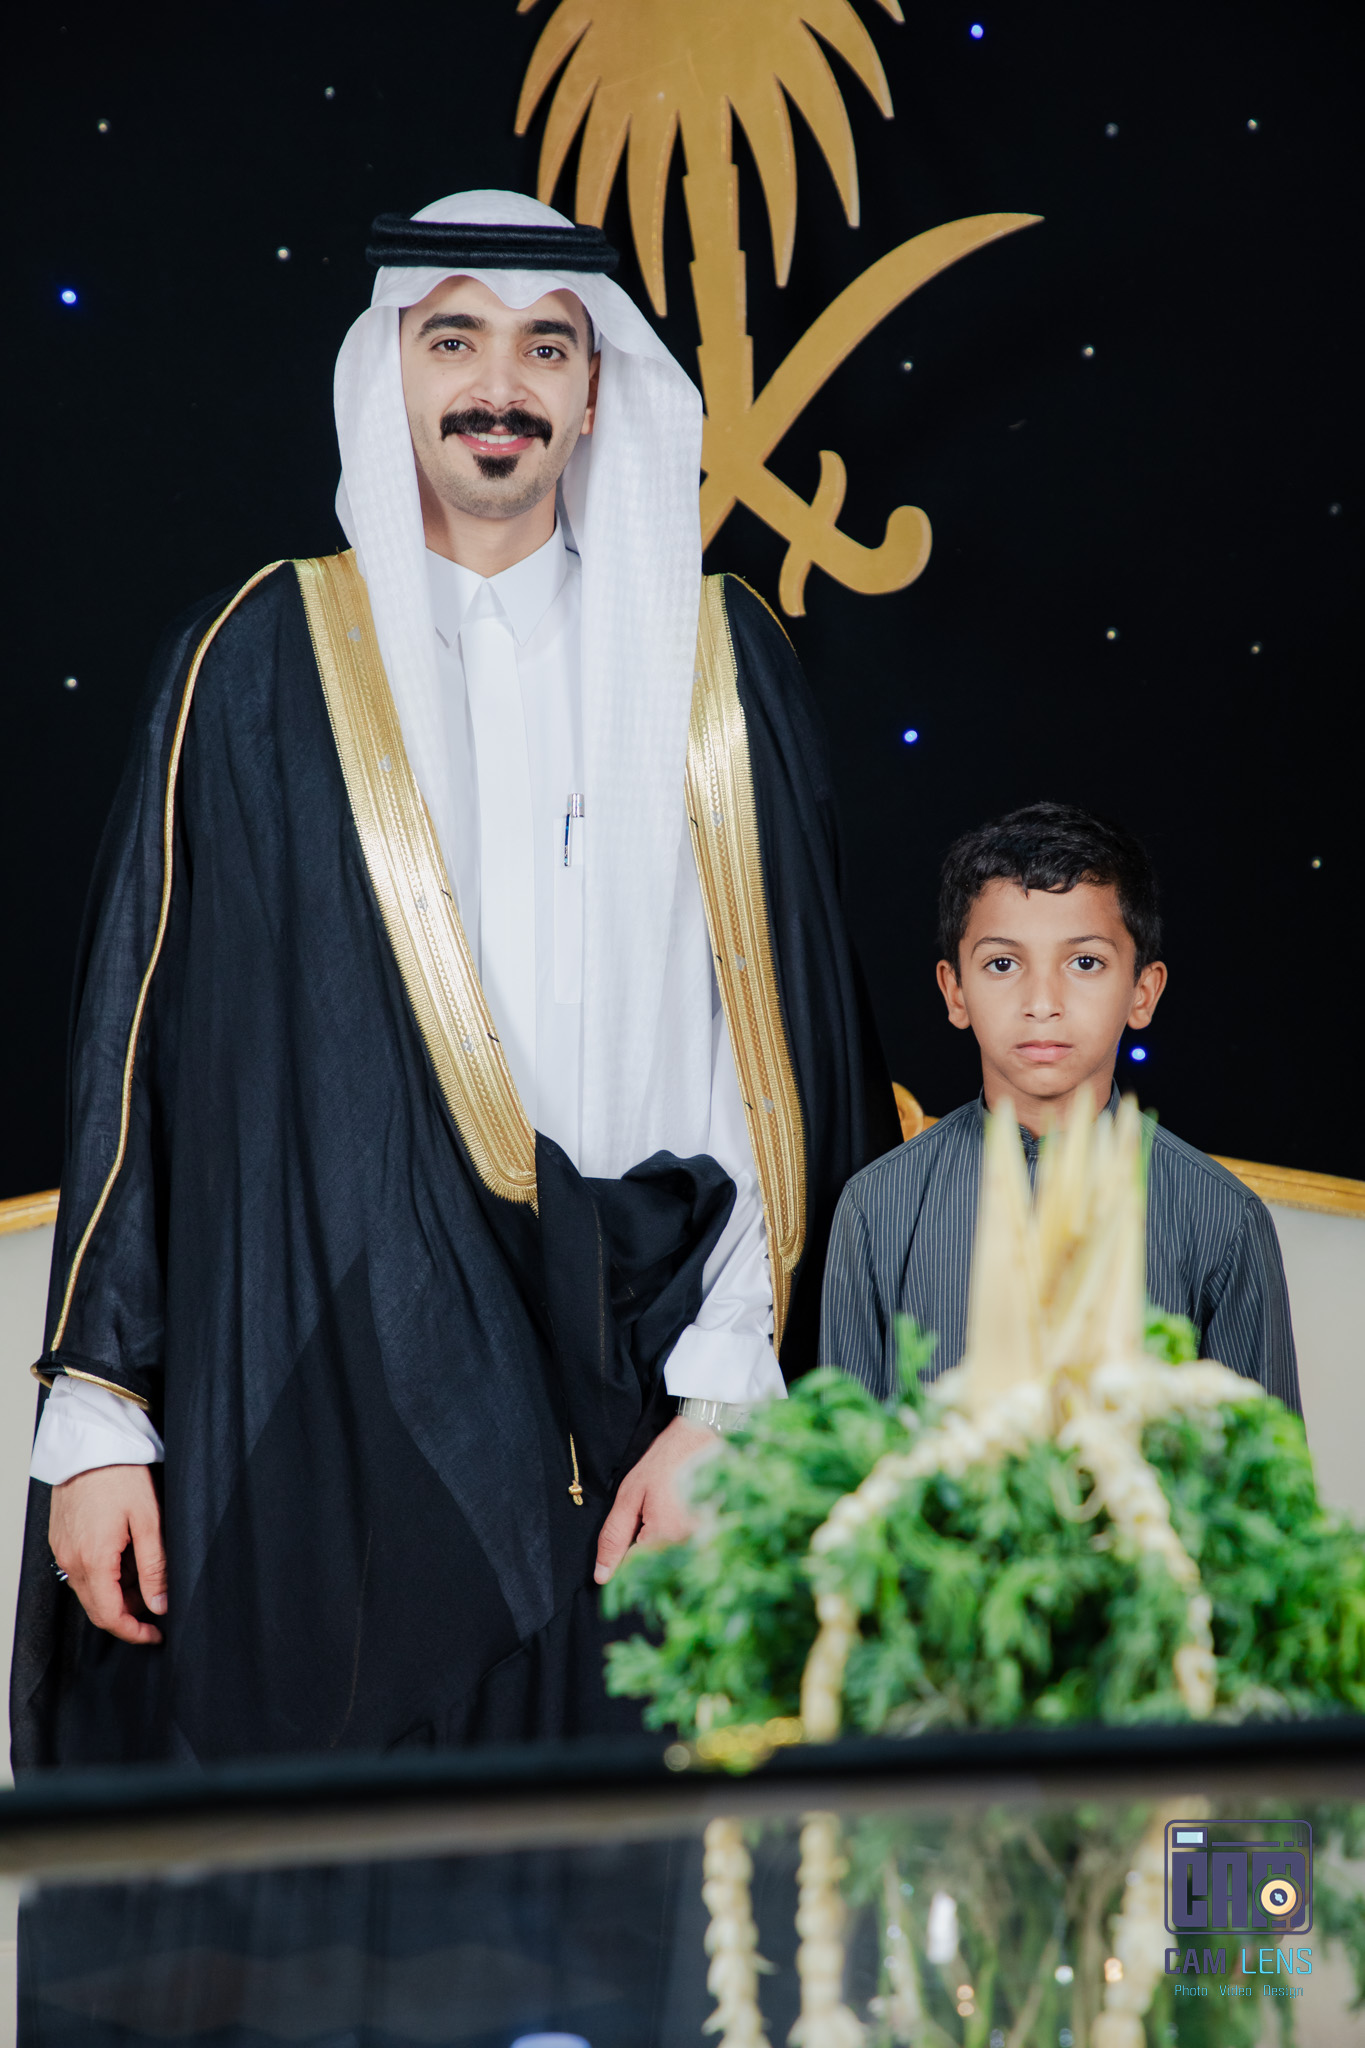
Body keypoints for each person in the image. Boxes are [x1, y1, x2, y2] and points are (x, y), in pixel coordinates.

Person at [13, 191, 898, 1768]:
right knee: (335, 1878)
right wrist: (96, 1419)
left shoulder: (714, 664)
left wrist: (731, 1405)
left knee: (642, 1877)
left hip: (654, 1417)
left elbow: (781, 1061)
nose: (501, 385)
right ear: (391, 371)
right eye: (456, 341)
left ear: (597, 390)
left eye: (546, 347)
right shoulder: (259, 661)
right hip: (339, 1401)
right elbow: (138, 1051)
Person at [820, 802, 1299, 1407]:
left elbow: (1262, 1460)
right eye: (1002, 963)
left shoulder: (1223, 1221)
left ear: (1142, 991)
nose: (1042, 1002)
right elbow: (841, 1449)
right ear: (955, 990)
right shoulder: (877, 1207)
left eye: (1084, 962)